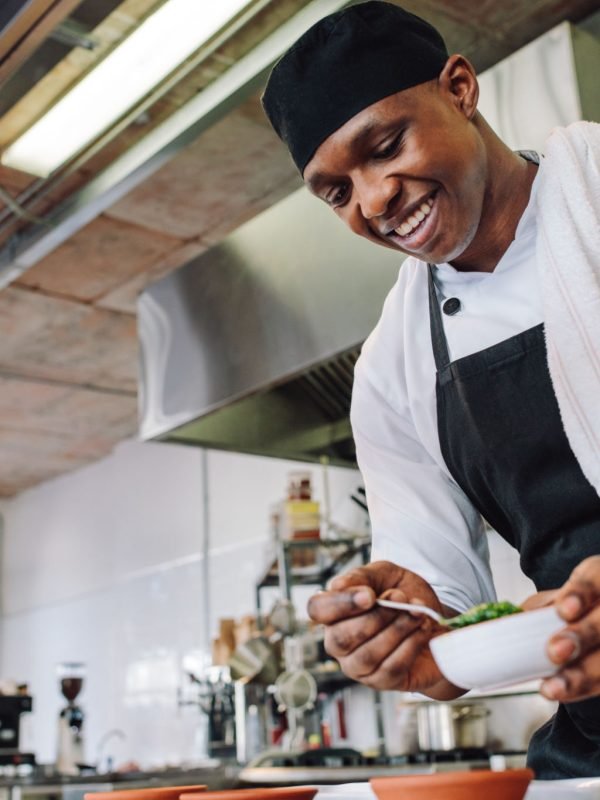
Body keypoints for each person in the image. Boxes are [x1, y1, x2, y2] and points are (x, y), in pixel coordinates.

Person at [261, 0, 600, 780]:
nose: (374, 200)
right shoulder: (392, 368)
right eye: (337, 193)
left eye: (384, 146)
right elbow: (440, 605)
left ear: (459, 87)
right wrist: (409, 636)